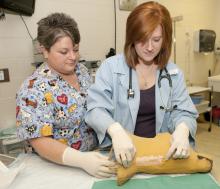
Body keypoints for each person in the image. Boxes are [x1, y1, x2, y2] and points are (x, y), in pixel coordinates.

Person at [85, 1, 198, 168]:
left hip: (162, 156)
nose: (150, 47)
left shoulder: (173, 74)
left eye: (156, 39)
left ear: (165, 39)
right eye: (142, 39)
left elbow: (184, 111)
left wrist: (183, 128)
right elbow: (95, 109)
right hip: (121, 155)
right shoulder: (110, 68)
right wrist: (115, 130)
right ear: (132, 36)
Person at [16, 13, 116, 178]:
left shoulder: (81, 72)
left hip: (94, 159)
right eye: (64, 51)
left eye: (75, 49)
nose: (73, 57)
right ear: (44, 50)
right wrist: (82, 160)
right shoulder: (32, 89)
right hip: (58, 168)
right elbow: (40, 140)